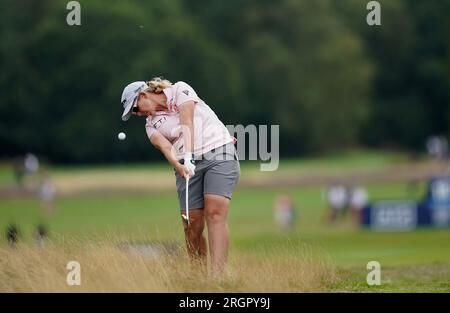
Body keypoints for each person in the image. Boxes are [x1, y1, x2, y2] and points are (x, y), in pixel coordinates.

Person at [120, 77, 240, 274]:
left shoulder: (180, 90)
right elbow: (166, 147)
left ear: (143, 95)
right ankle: (197, 278)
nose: (138, 114)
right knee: (191, 223)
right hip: (186, 166)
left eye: (135, 109)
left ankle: (219, 278)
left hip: (219, 152)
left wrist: (189, 154)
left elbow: (187, 120)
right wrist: (178, 163)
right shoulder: (151, 125)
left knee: (215, 214)